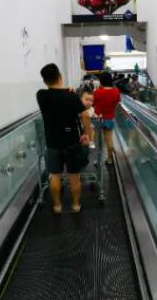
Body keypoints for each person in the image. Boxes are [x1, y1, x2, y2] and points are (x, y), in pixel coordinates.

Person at [36, 63, 90, 213]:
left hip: (52, 142)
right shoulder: (71, 95)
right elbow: (85, 115)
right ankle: (76, 205)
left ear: (45, 81)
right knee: (74, 176)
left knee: (55, 175)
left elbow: (53, 93)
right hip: (72, 140)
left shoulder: (41, 95)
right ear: (60, 77)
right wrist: (86, 133)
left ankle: (57, 206)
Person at [92, 72, 121, 166]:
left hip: (98, 119)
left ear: (101, 81)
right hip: (109, 119)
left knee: (97, 140)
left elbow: (92, 104)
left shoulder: (96, 92)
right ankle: (109, 159)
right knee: (109, 139)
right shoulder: (116, 92)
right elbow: (117, 104)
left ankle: (98, 160)